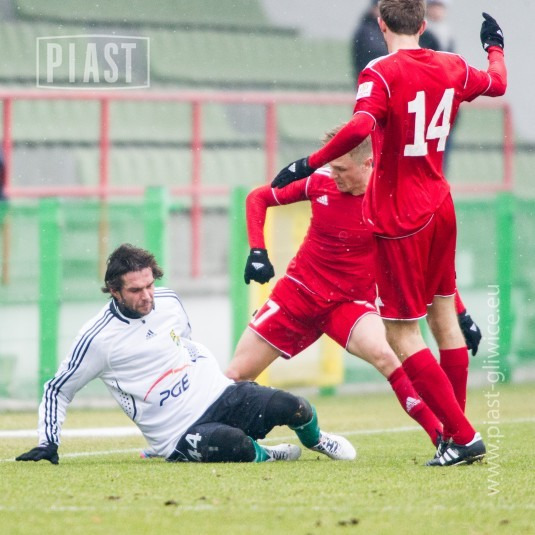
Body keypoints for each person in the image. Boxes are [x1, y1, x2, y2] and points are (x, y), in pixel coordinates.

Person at [271, 3, 506, 466]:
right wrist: (495, 47)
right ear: (423, 24)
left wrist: (308, 163)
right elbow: (497, 84)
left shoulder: (380, 70)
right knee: (444, 319)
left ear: (381, 24)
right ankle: (453, 436)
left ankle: (461, 436)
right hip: (441, 204)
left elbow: (361, 125)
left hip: (401, 214)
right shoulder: (452, 65)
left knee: (402, 333)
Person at [226, 130, 480, 449]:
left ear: (368, 164)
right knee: (235, 376)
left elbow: (431, 268)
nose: (333, 175)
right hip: (298, 295)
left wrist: (460, 313)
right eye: (331, 167)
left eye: (341, 169)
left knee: (389, 356)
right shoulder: (319, 181)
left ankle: (442, 437)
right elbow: (258, 197)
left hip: (349, 304)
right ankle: (209, 434)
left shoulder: (393, 204)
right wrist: (257, 250)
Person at [15, 243, 355, 465]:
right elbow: (58, 390)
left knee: (294, 406)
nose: (147, 296)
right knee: (235, 445)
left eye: (150, 285)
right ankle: (267, 454)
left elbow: (184, 341)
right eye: (136, 290)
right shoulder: (97, 338)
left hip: (221, 393)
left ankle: (319, 441)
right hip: (178, 431)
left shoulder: (168, 301)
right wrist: (49, 443)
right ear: (115, 291)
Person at [351, 0, 386, 83]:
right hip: (370, 77)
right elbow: (376, 51)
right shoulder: (367, 30)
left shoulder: (374, 28)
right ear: (374, 9)